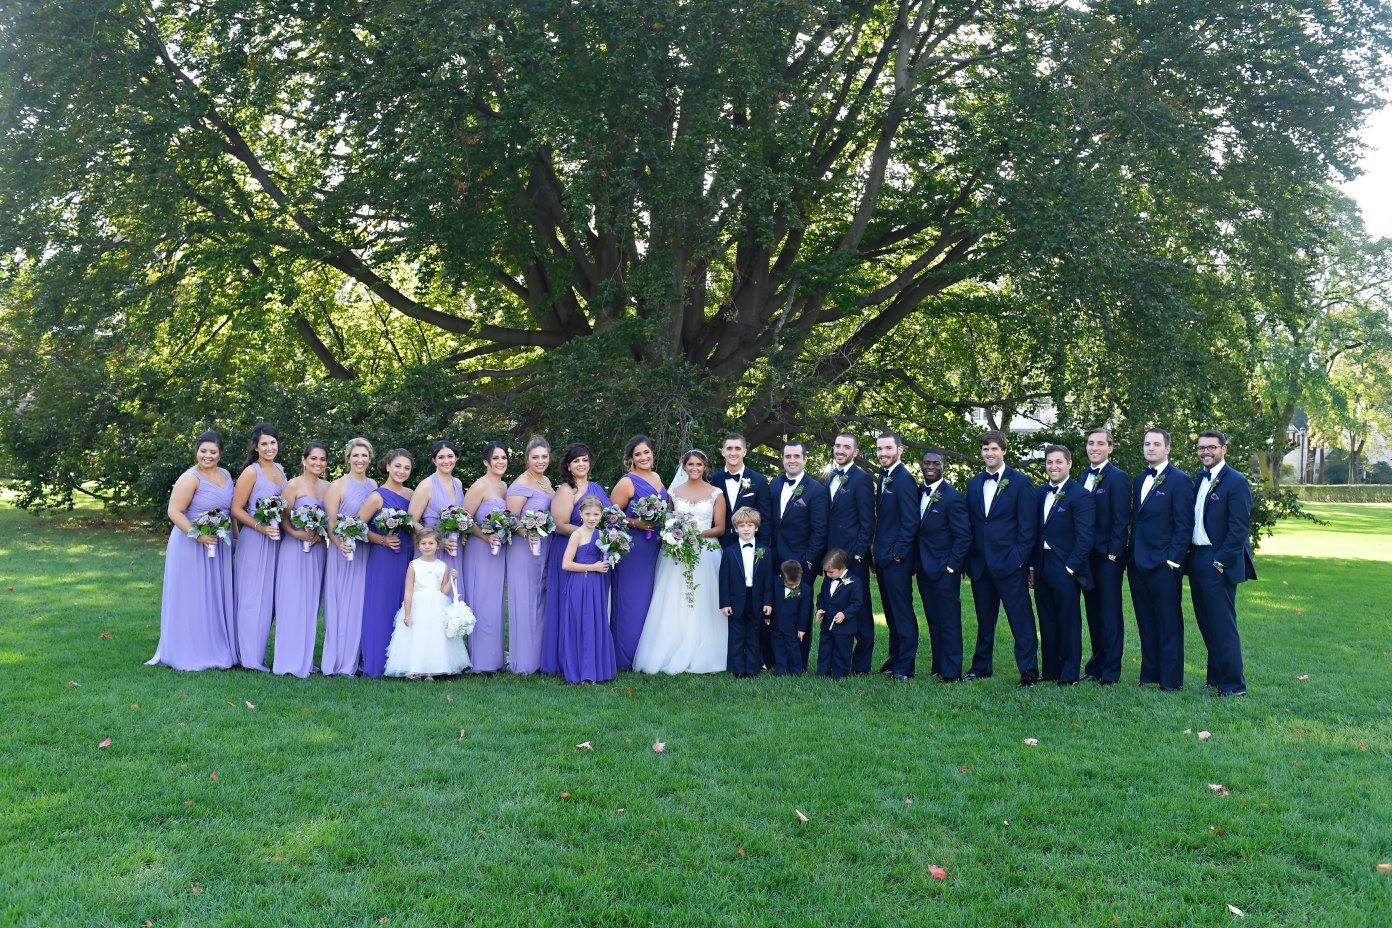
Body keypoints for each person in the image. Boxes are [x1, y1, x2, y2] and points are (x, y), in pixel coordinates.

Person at [147, 430, 237, 671]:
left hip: (218, 544)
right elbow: (174, 511)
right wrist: (199, 535)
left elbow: (230, 511)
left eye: (213, 451)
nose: (207, 455)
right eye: (203, 450)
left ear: (220, 453)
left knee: (214, 596)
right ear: (197, 451)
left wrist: (234, 539)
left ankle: (215, 646)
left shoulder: (227, 475)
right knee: (193, 596)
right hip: (190, 544)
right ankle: (188, 651)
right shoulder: (190, 478)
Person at [632, 449, 728, 674]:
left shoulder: (716, 493)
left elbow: (720, 527)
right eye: (690, 464)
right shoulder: (673, 493)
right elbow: (669, 521)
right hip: (676, 554)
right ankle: (672, 646)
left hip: (706, 552)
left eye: (699, 464)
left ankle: (707, 650)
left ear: (705, 467)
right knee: (675, 600)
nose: (695, 468)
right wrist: (679, 534)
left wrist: (694, 534)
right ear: (684, 467)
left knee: (705, 600)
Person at [964, 429, 1040, 686]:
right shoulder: (973, 484)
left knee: (1021, 620)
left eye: (994, 449)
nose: (989, 453)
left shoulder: (1020, 482)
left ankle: (1028, 671)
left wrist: (1019, 558)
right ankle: (981, 667)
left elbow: (1028, 528)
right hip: (981, 565)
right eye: (985, 449)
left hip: (1010, 564)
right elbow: (973, 525)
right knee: (985, 621)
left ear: (1004, 451)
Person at [1187, 430, 1255, 696]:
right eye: (1202, 447)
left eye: (1211, 447)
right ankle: (1215, 677)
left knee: (1222, 624)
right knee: (1206, 622)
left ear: (1224, 449)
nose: (1206, 451)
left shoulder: (1236, 481)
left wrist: (1220, 562)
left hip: (1218, 560)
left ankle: (1233, 684)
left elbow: (1239, 529)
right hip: (1198, 558)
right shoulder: (1199, 479)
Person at [1129, 427, 1195, 691]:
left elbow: (1184, 524)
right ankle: (1150, 674)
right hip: (1137, 563)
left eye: (1156, 444)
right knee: (1145, 621)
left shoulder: (1179, 480)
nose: (1150, 448)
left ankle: (1171, 680)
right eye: (1147, 444)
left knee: (1168, 623)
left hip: (1164, 565)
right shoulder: (1138, 480)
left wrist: (1173, 560)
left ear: (1168, 448)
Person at [542, 443, 612, 676]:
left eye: (584, 460)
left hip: (596, 554)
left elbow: (609, 518)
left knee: (591, 609)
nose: (581, 464)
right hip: (571, 551)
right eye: (576, 461)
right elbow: (560, 524)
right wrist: (588, 534)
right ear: (569, 466)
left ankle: (591, 658)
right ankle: (567, 661)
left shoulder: (597, 488)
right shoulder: (566, 490)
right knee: (569, 608)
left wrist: (609, 537)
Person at [1029, 445, 1095, 685]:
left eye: (1058, 462)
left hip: (1065, 565)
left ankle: (1069, 674)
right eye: (1049, 462)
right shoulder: (1038, 493)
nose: (1053, 466)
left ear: (1069, 465)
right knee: (1046, 618)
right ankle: (1050, 670)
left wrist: (1070, 567)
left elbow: (1086, 536)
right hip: (1042, 563)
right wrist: (1032, 567)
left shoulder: (1080, 495)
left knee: (1068, 620)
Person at [272, 442, 331, 678]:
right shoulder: (293, 485)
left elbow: (331, 519)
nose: (318, 463)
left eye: (322, 459)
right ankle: (287, 661)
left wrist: (321, 533)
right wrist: (297, 533)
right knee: (291, 603)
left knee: (310, 605)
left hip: (317, 551)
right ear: (304, 460)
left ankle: (305, 661)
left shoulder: (329, 487)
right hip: (294, 550)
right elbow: (283, 519)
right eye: (313, 458)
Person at [769, 440, 829, 670]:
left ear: (805, 459)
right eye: (787, 456)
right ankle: (776, 660)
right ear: (782, 459)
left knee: (799, 611)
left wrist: (809, 562)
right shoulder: (774, 485)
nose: (792, 460)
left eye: (796, 456)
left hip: (801, 562)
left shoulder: (816, 490)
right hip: (776, 558)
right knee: (777, 608)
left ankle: (799, 662)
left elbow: (819, 530)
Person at [230, 422, 286, 670]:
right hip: (255, 540)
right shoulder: (251, 472)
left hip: (275, 540)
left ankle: (258, 653)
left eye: (272, 442)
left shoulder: (281, 470)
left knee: (267, 600)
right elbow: (235, 508)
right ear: (256, 447)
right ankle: (247, 657)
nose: (269, 447)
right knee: (251, 596)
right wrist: (260, 527)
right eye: (264, 443)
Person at [609, 435, 668, 670]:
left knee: (649, 600)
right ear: (630, 459)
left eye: (647, 452)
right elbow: (611, 514)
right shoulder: (627, 482)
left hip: (655, 547)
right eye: (638, 454)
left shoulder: (657, 477)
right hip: (633, 549)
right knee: (631, 601)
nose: (644, 457)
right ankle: (624, 656)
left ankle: (646, 654)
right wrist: (636, 523)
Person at [321, 437, 377, 676]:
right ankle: (339, 661)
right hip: (342, 551)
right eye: (356, 455)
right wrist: (340, 543)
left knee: (360, 604)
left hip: (364, 550)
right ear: (348, 458)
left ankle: (358, 657)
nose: (360, 460)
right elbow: (330, 521)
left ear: (370, 459)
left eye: (364, 456)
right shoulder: (338, 485)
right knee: (341, 603)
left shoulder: (373, 484)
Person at [1079, 427, 1130, 685]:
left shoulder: (1117, 478)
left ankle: (1110, 671)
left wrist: (1113, 555)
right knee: (1093, 613)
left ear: (1110, 447)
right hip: (1086, 558)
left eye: (1100, 443)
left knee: (1110, 614)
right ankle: (1095, 665)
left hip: (1107, 557)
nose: (1094, 447)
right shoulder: (1082, 475)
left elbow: (1121, 521)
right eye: (1090, 443)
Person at [915, 448, 971, 682]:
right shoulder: (919, 492)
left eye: (935, 463)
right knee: (933, 619)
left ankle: (952, 671)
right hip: (923, 568)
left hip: (944, 570)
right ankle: (938, 665)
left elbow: (964, 536)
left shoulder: (952, 496)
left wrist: (951, 566)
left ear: (943, 466)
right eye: (927, 463)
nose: (930, 467)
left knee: (949, 621)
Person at [358, 449, 416, 677]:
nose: (402, 471)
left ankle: (400, 661)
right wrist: (381, 539)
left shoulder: (411, 495)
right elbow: (357, 527)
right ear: (388, 466)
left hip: (406, 555)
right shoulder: (377, 496)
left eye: (407, 468)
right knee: (380, 607)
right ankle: (376, 663)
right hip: (383, 558)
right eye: (398, 466)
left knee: (403, 605)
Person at [383, 528, 469, 677]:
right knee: (417, 636)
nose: (427, 546)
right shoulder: (413, 565)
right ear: (418, 545)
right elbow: (409, 591)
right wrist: (408, 613)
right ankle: (415, 668)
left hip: (437, 606)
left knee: (434, 636)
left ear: (438, 545)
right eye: (423, 543)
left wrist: (452, 579)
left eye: (431, 543)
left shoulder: (442, 566)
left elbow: (443, 591)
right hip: (418, 606)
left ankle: (432, 670)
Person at [825, 432, 875, 674]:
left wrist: (857, 555)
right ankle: (837, 661)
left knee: (861, 609)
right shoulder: (831, 476)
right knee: (834, 605)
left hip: (852, 559)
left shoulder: (862, 479)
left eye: (846, 447)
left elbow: (868, 521)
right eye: (837, 446)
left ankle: (862, 665)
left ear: (855, 452)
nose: (840, 450)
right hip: (832, 558)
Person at [505, 437, 555, 675]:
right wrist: (527, 531)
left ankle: (539, 656)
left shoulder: (545, 481)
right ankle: (523, 662)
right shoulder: (520, 484)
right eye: (535, 457)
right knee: (525, 601)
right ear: (527, 459)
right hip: (524, 549)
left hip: (544, 547)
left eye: (544, 456)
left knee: (540, 598)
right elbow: (509, 519)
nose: (540, 461)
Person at [872, 433, 920, 679]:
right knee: (890, 611)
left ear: (900, 450)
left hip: (896, 560)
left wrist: (897, 555)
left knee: (902, 611)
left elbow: (911, 523)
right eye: (880, 449)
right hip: (882, 557)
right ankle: (895, 657)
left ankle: (906, 666)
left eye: (888, 448)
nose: (883, 453)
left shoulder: (904, 480)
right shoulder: (884, 476)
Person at [557, 494, 618, 684]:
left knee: (594, 624)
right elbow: (566, 564)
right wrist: (592, 567)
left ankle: (595, 670)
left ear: (601, 516)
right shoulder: (577, 535)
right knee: (580, 624)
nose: (592, 518)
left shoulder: (602, 535)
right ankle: (581, 671)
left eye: (597, 514)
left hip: (596, 585)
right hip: (579, 584)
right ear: (580, 514)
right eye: (588, 514)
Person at [462, 442, 509, 673]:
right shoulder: (479, 486)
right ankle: (481, 661)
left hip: (498, 551)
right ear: (486, 462)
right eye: (496, 458)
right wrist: (485, 537)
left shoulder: (503, 486)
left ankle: (495, 659)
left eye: (503, 457)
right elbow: (464, 520)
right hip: (480, 550)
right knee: (481, 602)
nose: (500, 462)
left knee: (495, 603)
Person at [718, 506, 773, 677]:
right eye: (742, 526)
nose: (746, 529)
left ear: (756, 527)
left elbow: (768, 580)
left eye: (750, 525)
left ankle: (752, 669)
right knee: (737, 635)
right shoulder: (729, 552)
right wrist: (725, 602)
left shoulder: (765, 551)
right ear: (735, 529)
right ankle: (738, 670)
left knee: (754, 634)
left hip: (756, 598)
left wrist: (768, 602)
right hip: (736, 600)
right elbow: (724, 579)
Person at [409, 440, 467, 600]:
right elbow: (411, 521)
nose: (446, 461)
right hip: (432, 551)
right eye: (441, 457)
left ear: (456, 458)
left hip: (454, 549)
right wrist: (438, 542)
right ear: (434, 460)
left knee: (453, 596)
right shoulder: (426, 485)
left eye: (450, 456)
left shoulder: (458, 483)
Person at [711, 432, 771, 547]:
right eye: (729, 448)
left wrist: (762, 547)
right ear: (723, 452)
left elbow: (765, 518)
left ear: (744, 452)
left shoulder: (759, 481)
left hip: (750, 545)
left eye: (738, 448)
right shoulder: (714, 480)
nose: (733, 453)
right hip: (719, 545)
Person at [815, 548, 864, 680]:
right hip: (827, 623)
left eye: (831, 572)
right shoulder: (828, 580)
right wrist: (820, 608)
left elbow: (857, 603)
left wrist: (844, 614)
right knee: (825, 648)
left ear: (842, 568)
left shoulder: (855, 582)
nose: (828, 575)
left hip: (844, 626)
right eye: (826, 572)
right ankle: (822, 673)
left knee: (842, 650)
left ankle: (840, 674)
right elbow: (822, 597)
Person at [767, 560, 811, 676]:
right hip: (776, 624)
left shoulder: (806, 590)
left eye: (796, 584)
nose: (794, 586)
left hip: (793, 626)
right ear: (781, 576)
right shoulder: (775, 582)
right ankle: (780, 669)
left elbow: (804, 611)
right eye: (790, 585)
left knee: (793, 649)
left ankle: (796, 670)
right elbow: (770, 600)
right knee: (778, 647)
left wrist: (801, 628)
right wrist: (767, 616)